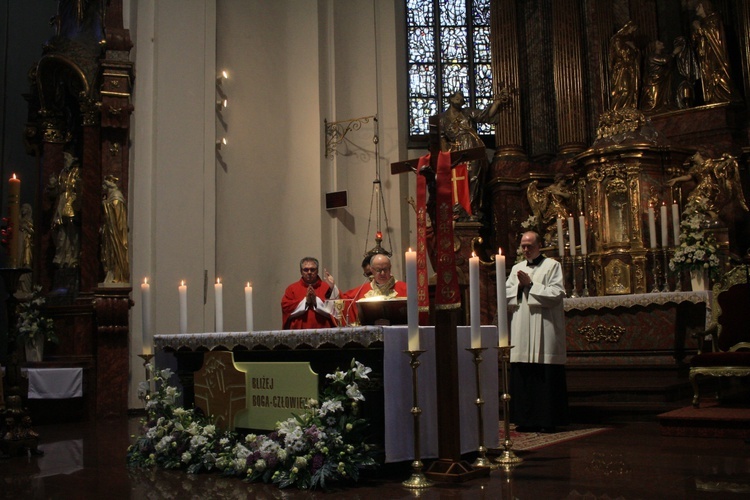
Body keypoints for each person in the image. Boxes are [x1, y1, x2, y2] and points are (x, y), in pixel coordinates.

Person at [505, 231, 568, 432]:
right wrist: (518, 288)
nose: (525, 249)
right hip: (522, 325)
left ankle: (547, 420)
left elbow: (556, 294)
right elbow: (506, 295)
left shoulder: (552, 266)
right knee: (523, 372)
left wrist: (531, 285)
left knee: (544, 373)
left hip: (544, 325)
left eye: (529, 246)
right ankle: (524, 419)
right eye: (523, 246)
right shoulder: (516, 268)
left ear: (539, 245)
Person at [439, 91, 503, 220]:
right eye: (457, 98)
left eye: (461, 99)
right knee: (457, 179)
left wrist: (497, 103)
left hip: (472, 146)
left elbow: (486, 115)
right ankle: (458, 209)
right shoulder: (442, 118)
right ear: (451, 99)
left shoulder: (468, 112)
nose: (460, 100)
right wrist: (446, 156)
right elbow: (442, 138)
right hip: (455, 150)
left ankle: (471, 210)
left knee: (473, 177)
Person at [667, 151, 748, 221]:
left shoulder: (708, 163)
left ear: (698, 155)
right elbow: (688, 177)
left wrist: (726, 162)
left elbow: (717, 168)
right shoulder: (695, 168)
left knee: (702, 199)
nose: (693, 158)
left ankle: (710, 212)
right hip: (700, 186)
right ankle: (703, 214)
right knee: (692, 198)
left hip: (708, 186)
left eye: (694, 156)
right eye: (691, 158)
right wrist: (676, 179)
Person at [691, 1, 740, 104]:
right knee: (708, 78)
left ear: (705, 6)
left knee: (718, 76)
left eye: (698, 6)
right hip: (706, 57)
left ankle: (724, 97)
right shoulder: (703, 22)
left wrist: (700, 29)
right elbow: (697, 41)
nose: (696, 9)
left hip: (715, 55)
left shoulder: (714, 19)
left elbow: (714, 37)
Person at [342, 254, 407, 324]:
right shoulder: (361, 291)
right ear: (372, 270)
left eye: (385, 269)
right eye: (378, 270)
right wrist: (332, 288)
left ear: (390, 268)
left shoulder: (405, 289)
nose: (382, 273)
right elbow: (344, 301)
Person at [281, 257, 339, 330]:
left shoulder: (327, 287)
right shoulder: (292, 289)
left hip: (324, 331)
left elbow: (337, 310)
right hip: (299, 333)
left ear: (317, 271)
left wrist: (316, 302)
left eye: (312, 269)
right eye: (305, 270)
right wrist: (306, 302)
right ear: (301, 272)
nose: (309, 272)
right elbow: (286, 307)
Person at [47, 152, 81, 267]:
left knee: (72, 229)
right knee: (59, 229)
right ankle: (60, 256)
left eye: (67, 158)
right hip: (62, 201)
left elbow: (79, 187)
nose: (65, 160)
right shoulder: (62, 173)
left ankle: (72, 256)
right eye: (64, 159)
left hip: (71, 201)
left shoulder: (77, 171)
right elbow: (57, 190)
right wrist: (52, 186)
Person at [100, 175, 130, 284]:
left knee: (116, 253)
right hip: (109, 232)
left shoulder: (116, 197)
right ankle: (110, 273)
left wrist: (105, 206)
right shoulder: (111, 197)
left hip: (116, 234)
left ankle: (117, 275)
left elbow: (118, 222)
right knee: (108, 255)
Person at [608, 21, 640, 111]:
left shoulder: (630, 40)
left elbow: (636, 53)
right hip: (621, 67)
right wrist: (630, 48)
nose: (633, 31)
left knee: (631, 90)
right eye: (632, 28)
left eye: (634, 30)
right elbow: (620, 53)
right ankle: (616, 111)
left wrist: (634, 48)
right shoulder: (618, 39)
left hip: (630, 67)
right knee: (624, 89)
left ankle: (628, 109)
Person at [640, 40, 674, 114]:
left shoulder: (663, 55)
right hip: (654, 80)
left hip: (662, 79)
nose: (662, 43)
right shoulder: (651, 56)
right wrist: (674, 53)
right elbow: (664, 61)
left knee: (662, 97)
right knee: (654, 99)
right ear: (654, 47)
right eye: (659, 43)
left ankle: (662, 107)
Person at [673, 35, 699, 109]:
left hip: (686, 79)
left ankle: (687, 103)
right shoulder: (675, 57)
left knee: (686, 87)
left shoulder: (689, 55)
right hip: (679, 79)